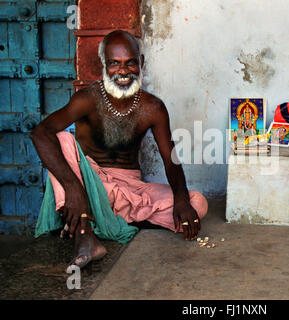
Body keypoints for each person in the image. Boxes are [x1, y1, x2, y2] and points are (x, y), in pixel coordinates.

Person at [30, 30, 208, 269]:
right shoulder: (88, 99)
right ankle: (85, 234)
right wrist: (74, 189)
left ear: (141, 63)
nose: (123, 72)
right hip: (89, 185)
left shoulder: (152, 107)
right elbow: (40, 133)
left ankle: (109, 222)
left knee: (198, 203)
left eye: (130, 63)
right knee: (61, 139)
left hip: (127, 189)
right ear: (104, 65)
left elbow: (170, 158)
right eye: (114, 64)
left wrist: (182, 199)